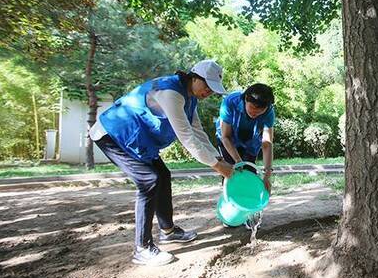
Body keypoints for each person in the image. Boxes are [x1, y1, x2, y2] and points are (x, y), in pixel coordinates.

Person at [89, 60, 234, 266]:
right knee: (149, 180)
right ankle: (142, 248)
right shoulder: (171, 93)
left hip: (138, 140)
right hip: (112, 134)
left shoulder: (190, 98)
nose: (209, 91)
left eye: (213, 89)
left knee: (162, 176)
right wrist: (218, 166)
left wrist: (219, 159)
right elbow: (187, 138)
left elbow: (198, 132)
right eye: (207, 86)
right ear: (194, 78)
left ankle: (168, 231)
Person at [215, 83, 275, 193]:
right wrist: (238, 161)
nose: (255, 113)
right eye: (252, 107)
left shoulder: (269, 112)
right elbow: (226, 137)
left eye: (260, 110)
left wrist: (267, 174)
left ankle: (250, 204)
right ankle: (230, 200)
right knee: (231, 172)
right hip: (228, 140)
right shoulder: (230, 102)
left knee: (250, 173)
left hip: (251, 141)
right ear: (246, 99)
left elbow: (267, 143)